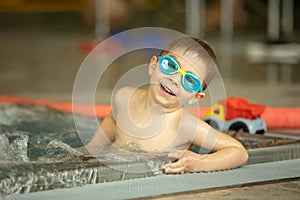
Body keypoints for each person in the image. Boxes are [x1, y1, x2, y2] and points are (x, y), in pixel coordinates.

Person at [86, 36, 248, 174]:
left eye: (190, 80)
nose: (175, 79)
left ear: (195, 97)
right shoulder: (124, 98)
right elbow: (97, 145)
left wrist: (200, 162)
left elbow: (239, 152)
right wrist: (87, 154)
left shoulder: (186, 125)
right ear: (153, 65)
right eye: (171, 66)